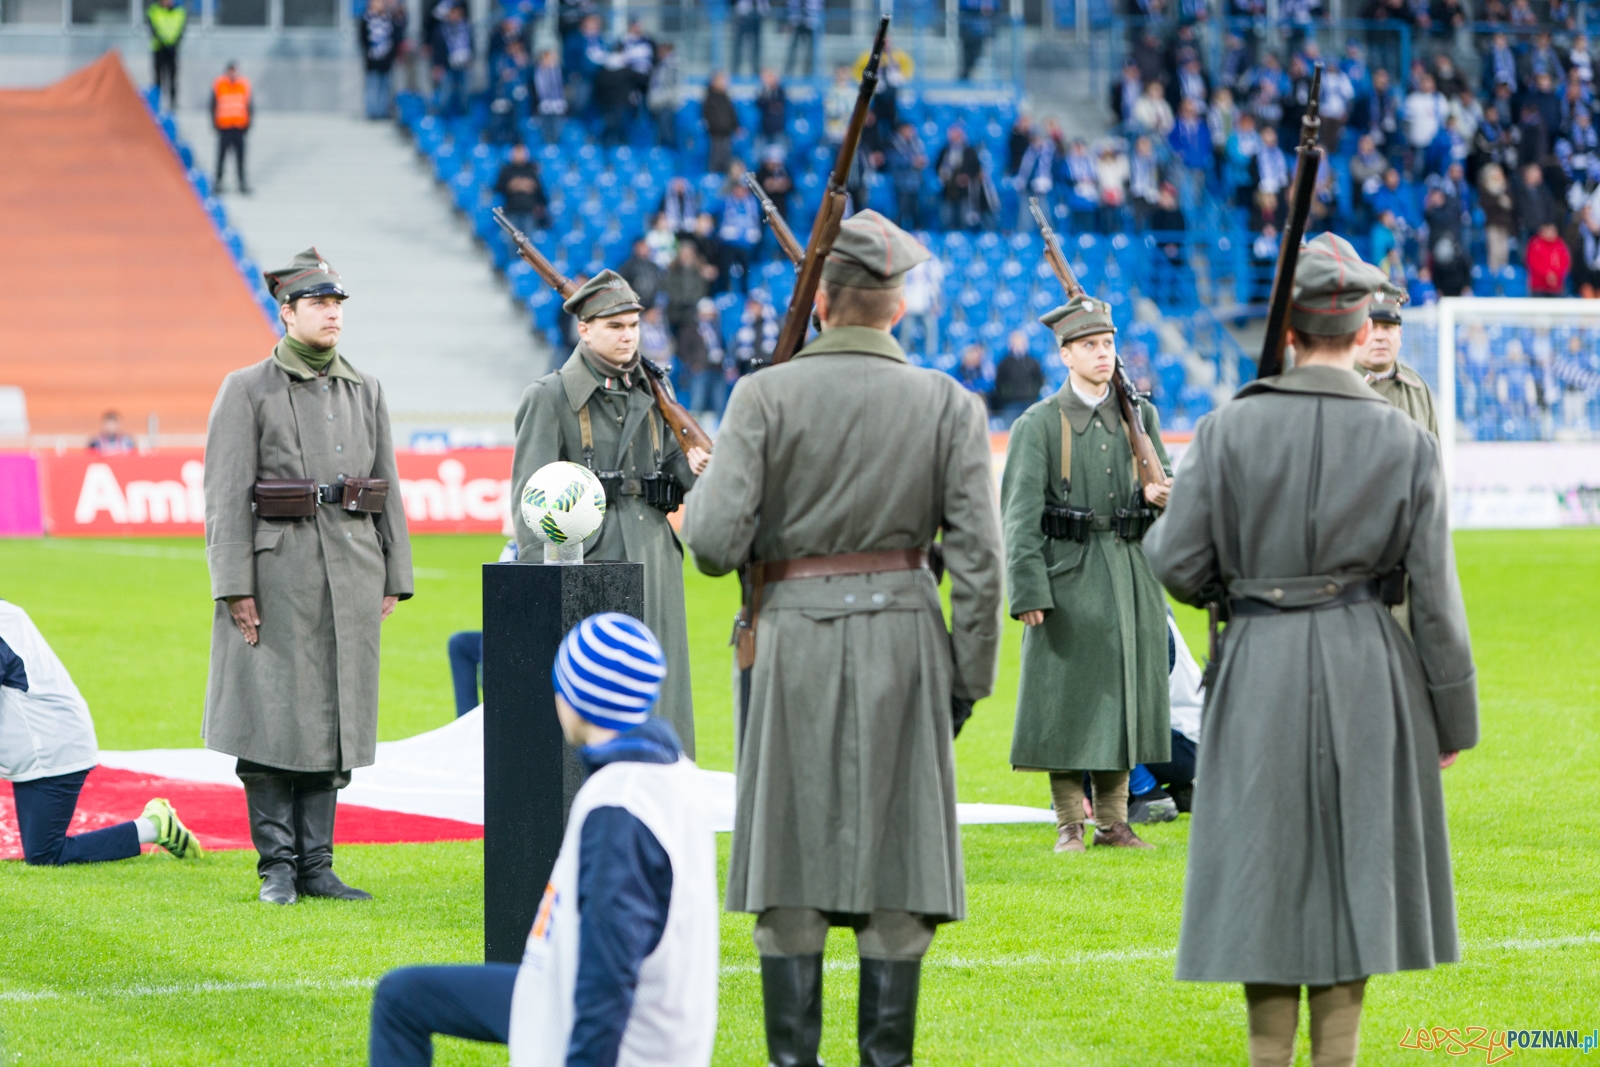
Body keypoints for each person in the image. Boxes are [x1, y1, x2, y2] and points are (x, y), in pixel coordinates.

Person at [1143, 233, 1478, 1067]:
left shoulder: (1227, 428)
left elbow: (1175, 561)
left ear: (1285, 330)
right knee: (1349, 885)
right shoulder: (1408, 442)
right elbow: (1435, 598)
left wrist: (1241, 585)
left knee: (1265, 883)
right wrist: (1453, 717)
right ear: (1364, 325)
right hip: (1371, 669)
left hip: (1257, 662)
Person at [680, 211, 1004, 1067]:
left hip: (793, 645)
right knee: (899, 879)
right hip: (906, 638)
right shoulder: (948, 402)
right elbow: (979, 564)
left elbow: (712, 545)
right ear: (897, 307)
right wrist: (965, 683)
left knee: (789, 870)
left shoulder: (763, 394)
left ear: (821, 301)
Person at [368, 614, 717, 1067]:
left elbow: (606, 977)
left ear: (575, 698)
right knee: (404, 997)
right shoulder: (674, 776)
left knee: (401, 1000)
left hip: (614, 1039)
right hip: (584, 999)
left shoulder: (619, 805)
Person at [203, 249, 414, 905]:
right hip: (276, 574)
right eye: (319, 303)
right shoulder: (246, 388)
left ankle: (318, 865)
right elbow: (225, 494)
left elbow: (388, 487)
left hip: (350, 568)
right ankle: (277, 867)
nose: (332, 313)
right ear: (287, 311)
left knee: (334, 715)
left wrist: (394, 572)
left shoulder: (366, 388)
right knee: (271, 716)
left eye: (338, 303)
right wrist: (235, 585)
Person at [999, 294, 1173, 854]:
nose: (1103, 354)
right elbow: (1019, 519)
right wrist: (1028, 588)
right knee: (1065, 700)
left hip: (1128, 569)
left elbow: (1162, 485)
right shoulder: (1039, 424)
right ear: (1065, 355)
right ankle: (1070, 823)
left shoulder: (1139, 415)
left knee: (1124, 696)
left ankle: (1115, 823)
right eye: (1091, 346)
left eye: (1108, 344)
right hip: (1068, 574)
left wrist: (1157, 494)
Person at [511, 272, 709, 755]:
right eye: (616, 326)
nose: (629, 336)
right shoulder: (550, 396)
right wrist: (547, 584)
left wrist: (696, 465)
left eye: (634, 325)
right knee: (595, 694)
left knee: (663, 691)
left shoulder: (652, 388)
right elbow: (532, 503)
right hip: (590, 561)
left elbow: (671, 473)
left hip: (655, 558)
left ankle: (663, 784)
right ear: (584, 329)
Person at [2, 598, 202, 866]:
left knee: (45, 854)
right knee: (42, 851)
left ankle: (154, 826)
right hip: (41, 740)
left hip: (51, 749)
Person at [1126, 610, 1204, 823]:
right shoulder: (1156, 610)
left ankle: (1148, 793)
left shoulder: (1142, 620)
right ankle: (1182, 790)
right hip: (1195, 743)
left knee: (1104, 708)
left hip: (1179, 743)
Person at [1357, 283, 1436, 436]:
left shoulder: (1417, 389)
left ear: (1399, 334)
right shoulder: (1338, 386)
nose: (1380, 336)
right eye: (1371, 327)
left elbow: (1433, 457)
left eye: (1388, 327)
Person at [209, 61, 252, 195]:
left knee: (240, 158)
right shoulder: (219, 84)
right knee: (221, 157)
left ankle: (242, 183)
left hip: (239, 127)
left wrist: (247, 125)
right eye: (231, 70)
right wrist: (214, 124)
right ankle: (218, 183)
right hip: (225, 126)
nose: (233, 73)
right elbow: (213, 105)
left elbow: (248, 106)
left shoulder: (243, 85)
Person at [360, 0, 406, 121]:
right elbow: (363, 40)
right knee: (373, 86)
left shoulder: (390, 20)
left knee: (385, 87)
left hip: (386, 60)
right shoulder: (365, 20)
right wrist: (371, 54)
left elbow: (396, 38)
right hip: (372, 60)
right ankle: (372, 112)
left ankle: (383, 112)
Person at [991, 331, 1044, 426]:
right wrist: (1006, 396)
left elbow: (1039, 380)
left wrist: (1033, 394)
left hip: (1029, 403)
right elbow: (999, 383)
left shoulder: (1033, 362)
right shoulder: (1004, 363)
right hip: (1011, 405)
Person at [494, 144, 549, 234]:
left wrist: (542, 204)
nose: (519, 155)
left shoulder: (531, 170)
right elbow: (498, 188)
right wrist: (511, 186)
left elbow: (539, 190)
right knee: (512, 241)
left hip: (528, 211)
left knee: (527, 242)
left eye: (521, 153)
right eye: (517, 152)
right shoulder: (507, 170)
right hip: (512, 211)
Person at [145, 0, 186, 111]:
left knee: (172, 76)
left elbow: (181, 29)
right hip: (159, 48)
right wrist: (164, 43)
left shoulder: (179, 11)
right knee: (158, 77)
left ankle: (173, 103)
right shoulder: (154, 10)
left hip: (173, 49)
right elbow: (153, 28)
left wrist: (174, 43)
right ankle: (156, 103)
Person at [702, 71, 739, 176]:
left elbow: (731, 113)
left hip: (727, 132)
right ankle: (713, 178)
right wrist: (715, 126)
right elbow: (708, 115)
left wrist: (735, 126)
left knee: (726, 156)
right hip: (715, 133)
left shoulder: (726, 97)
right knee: (716, 157)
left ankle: (725, 177)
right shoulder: (710, 98)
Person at [957, 0, 995, 81]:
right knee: (967, 56)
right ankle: (965, 74)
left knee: (976, 55)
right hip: (967, 32)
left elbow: (991, 9)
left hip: (979, 33)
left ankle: (968, 73)